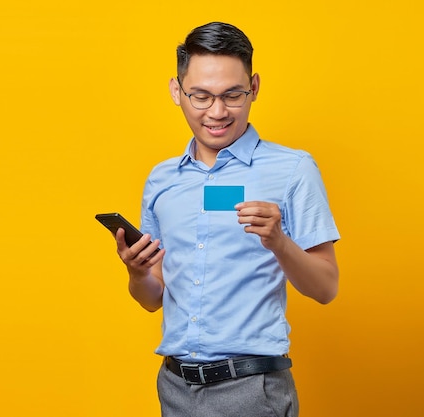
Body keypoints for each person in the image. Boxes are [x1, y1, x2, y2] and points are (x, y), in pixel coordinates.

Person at [114, 22, 340, 417]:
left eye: (232, 95)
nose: (217, 112)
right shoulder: (162, 179)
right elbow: (153, 299)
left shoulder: (293, 169)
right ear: (176, 91)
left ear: (254, 87)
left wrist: (279, 242)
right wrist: (137, 273)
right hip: (175, 388)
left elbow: (325, 287)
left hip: (252, 390)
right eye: (200, 96)